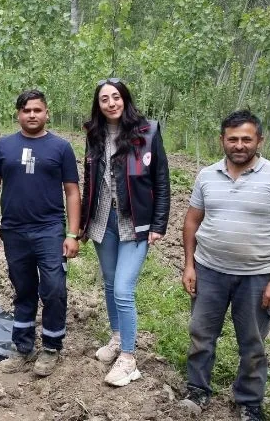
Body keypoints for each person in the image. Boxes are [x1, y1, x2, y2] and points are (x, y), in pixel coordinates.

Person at [179, 110, 270, 421]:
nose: (239, 145)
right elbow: (192, 221)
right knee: (201, 334)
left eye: (246, 139)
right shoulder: (207, 175)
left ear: (259, 140)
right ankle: (197, 389)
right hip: (209, 270)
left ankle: (249, 401)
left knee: (253, 343)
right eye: (232, 139)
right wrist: (189, 265)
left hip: (256, 277)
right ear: (222, 140)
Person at [79, 78, 170, 387]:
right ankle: (117, 337)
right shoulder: (94, 134)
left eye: (116, 97)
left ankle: (129, 359)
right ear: (98, 105)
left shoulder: (148, 132)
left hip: (134, 221)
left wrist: (158, 224)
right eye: (104, 99)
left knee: (122, 289)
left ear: (125, 99)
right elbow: (90, 180)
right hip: (103, 219)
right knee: (109, 283)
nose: (111, 103)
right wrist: (83, 223)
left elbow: (161, 180)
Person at [0, 89, 81, 377]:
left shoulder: (61, 148)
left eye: (37, 110)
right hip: (14, 230)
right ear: (18, 114)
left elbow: (72, 192)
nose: (32, 115)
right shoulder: (3, 146)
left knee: (54, 288)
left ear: (47, 113)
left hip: (49, 230)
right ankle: (22, 347)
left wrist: (72, 234)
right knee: (23, 289)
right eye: (26, 110)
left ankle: (51, 346)